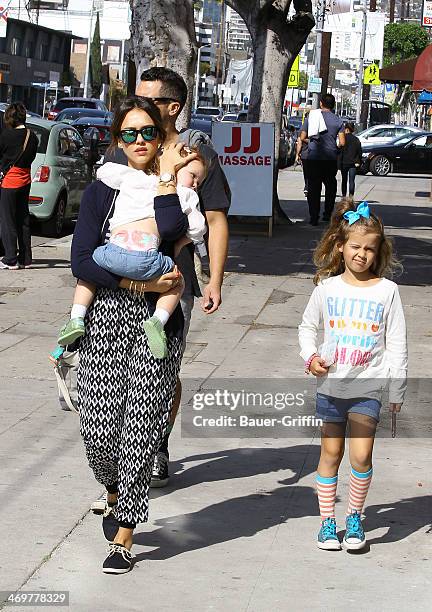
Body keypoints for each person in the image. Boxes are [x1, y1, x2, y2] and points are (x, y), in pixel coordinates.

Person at [71, 95, 197, 574]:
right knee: (98, 432)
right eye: (130, 133)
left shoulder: (178, 186)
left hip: (157, 323)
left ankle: (124, 535)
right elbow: (81, 260)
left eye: (149, 132)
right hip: (106, 313)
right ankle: (111, 487)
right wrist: (134, 282)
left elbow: (170, 228)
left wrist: (166, 176)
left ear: (161, 136)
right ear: (117, 139)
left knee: (140, 429)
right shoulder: (102, 188)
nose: (140, 141)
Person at [106, 67, 230, 489]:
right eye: (133, 100)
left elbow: (214, 220)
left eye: (149, 101)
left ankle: (154, 444)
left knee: (161, 369)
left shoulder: (197, 152)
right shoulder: (123, 148)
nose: (136, 109)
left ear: (172, 108)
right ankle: (121, 449)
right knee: (120, 371)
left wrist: (214, 278)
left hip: (176, 281)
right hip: (120, 276)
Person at [298, 198, 407, 551]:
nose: (362, 255)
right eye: (356, 246)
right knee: (331, 454)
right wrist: (311, 357)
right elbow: (306, 327)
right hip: (331, 387)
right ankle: (327, 522)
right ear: (340, 246)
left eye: (370, 249)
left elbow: (397, 343)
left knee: (361, 457)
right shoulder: (326, 289)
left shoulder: (387, 292)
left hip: (368, 388)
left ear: (379, 252)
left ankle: (355, 518)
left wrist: (397, 390)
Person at [56, 130, 207, 359]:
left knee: (88, 272)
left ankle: (77, 317)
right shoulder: (185, 195)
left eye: (148, 132)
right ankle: (157, 321)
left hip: (112, 253)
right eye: (193, 176)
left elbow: (107, 172)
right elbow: (195, 229)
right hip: (148, 262)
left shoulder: (132, 179)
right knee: (177, 282)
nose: (195, 184)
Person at [0, 102, 38, 270]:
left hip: (10, 181)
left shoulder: (6, 135)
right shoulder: (32, 136)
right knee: (23, 219)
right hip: (25, 180)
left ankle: (10, 258)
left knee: (7, 220)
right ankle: (25, 258)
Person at [300, 94, 345, 225]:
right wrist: (334, 147)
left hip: (313, 158)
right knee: (330, 186)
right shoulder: (338, 121)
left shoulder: (312, 117)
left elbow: (302, 136)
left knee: (313, 187)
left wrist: (313, 142)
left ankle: (314, 217)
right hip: (330, 158)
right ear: (333, 105)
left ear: (321, 104)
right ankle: (327, 214)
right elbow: (342, 142)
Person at [339, 122, 362, 198]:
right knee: (352, 181)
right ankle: (351, 197)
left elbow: (340, 151)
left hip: (344, 162)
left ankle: (343, 196)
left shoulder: (343, 139)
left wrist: (338, 163)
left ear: (347, 129)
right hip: (353, 163)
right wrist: (358, 161)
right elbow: (359, 152)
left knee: (344, 180)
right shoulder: (356, 140)